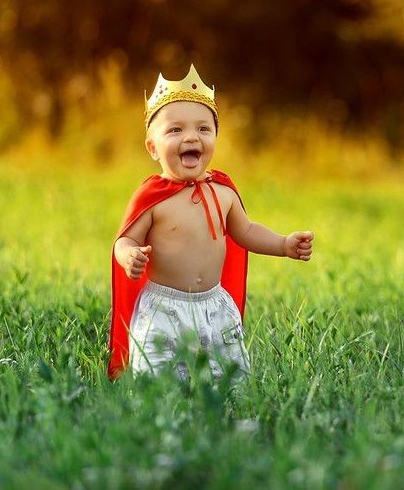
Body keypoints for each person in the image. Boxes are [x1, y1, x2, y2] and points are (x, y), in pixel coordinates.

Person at [107, 64, 314, 380]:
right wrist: (128, 255)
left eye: (203, 129)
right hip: (165, 309)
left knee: (226, 376)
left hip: (214, 307)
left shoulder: (223, 190)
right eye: (175, 130)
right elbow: (125, 239)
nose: (191, 137)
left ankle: (228, 419)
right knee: (158, 378)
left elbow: (245, 231)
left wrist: (284, 244)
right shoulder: (152, 196)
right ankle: (162, 423)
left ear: (216, 137)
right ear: (152, 147)